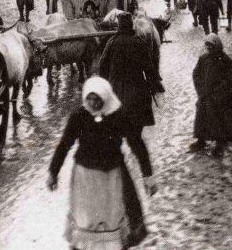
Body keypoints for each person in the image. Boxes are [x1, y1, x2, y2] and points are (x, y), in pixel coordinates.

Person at [47, 77, 154, 250]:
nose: (93, 103)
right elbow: (64, 145)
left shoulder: (119, 115)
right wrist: (53, 172)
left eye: (97, 99)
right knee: (87, 219)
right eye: (89, 98)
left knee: (111, 217)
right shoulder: (79, 116)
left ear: (106, 97)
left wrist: (148, 176)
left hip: (112, 177)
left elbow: (137, 145)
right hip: (85, 177)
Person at [98, 12, 164, 186]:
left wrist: (106, 85)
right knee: (136, 140)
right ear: (132, 26)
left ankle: (113, 178)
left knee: (113, 139)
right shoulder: (139, 43)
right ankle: (148, 178)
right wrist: (155, 89)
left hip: (115, 100)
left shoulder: (111, 43)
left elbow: (102, 68)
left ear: (119, 26)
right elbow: (150, 70)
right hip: (137, 99)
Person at [190, 34, 232, 157]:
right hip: (205, 95)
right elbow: (196, 74)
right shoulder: (203, 59)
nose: (209, 48)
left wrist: (220, 90)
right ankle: (201, 140)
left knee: (220, 119)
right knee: (201, 116)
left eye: (211, 46)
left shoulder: (226, 61)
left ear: (217, 46)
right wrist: (200, 89)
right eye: (207, 45)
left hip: (222, 98)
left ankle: (219, 144)